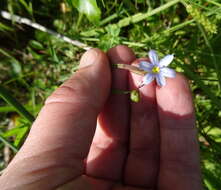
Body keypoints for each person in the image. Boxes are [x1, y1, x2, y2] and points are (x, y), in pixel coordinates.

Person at [0, 45, 201, 190]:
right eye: (156, 67)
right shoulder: (150, 72)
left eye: (158, 68)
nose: (157, 69)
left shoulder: (155, 73)